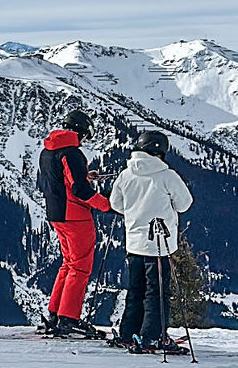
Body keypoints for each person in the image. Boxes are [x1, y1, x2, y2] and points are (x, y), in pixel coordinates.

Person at [110, 130, 193, 354]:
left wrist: (135, 212)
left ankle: (129, 333)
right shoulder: (167, 176)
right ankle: (153, 336)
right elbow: (184, 204)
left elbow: (116, 204)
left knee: (136, 289)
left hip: (134, 242)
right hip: (159, 245)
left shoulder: (126, 174)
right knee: (157, 292)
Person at [37, 109, 111, 337]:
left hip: (56, 214)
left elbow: (60, 180)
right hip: (75, 216)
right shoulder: (72, 153)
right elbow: (80, 190)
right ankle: (69, 319)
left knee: (68, 264)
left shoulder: (47, 151)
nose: (85, 140)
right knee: (79, 267)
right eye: (86, 135)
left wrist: (86, 176)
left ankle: (55, 314)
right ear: (81, 131)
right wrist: (108, 205)